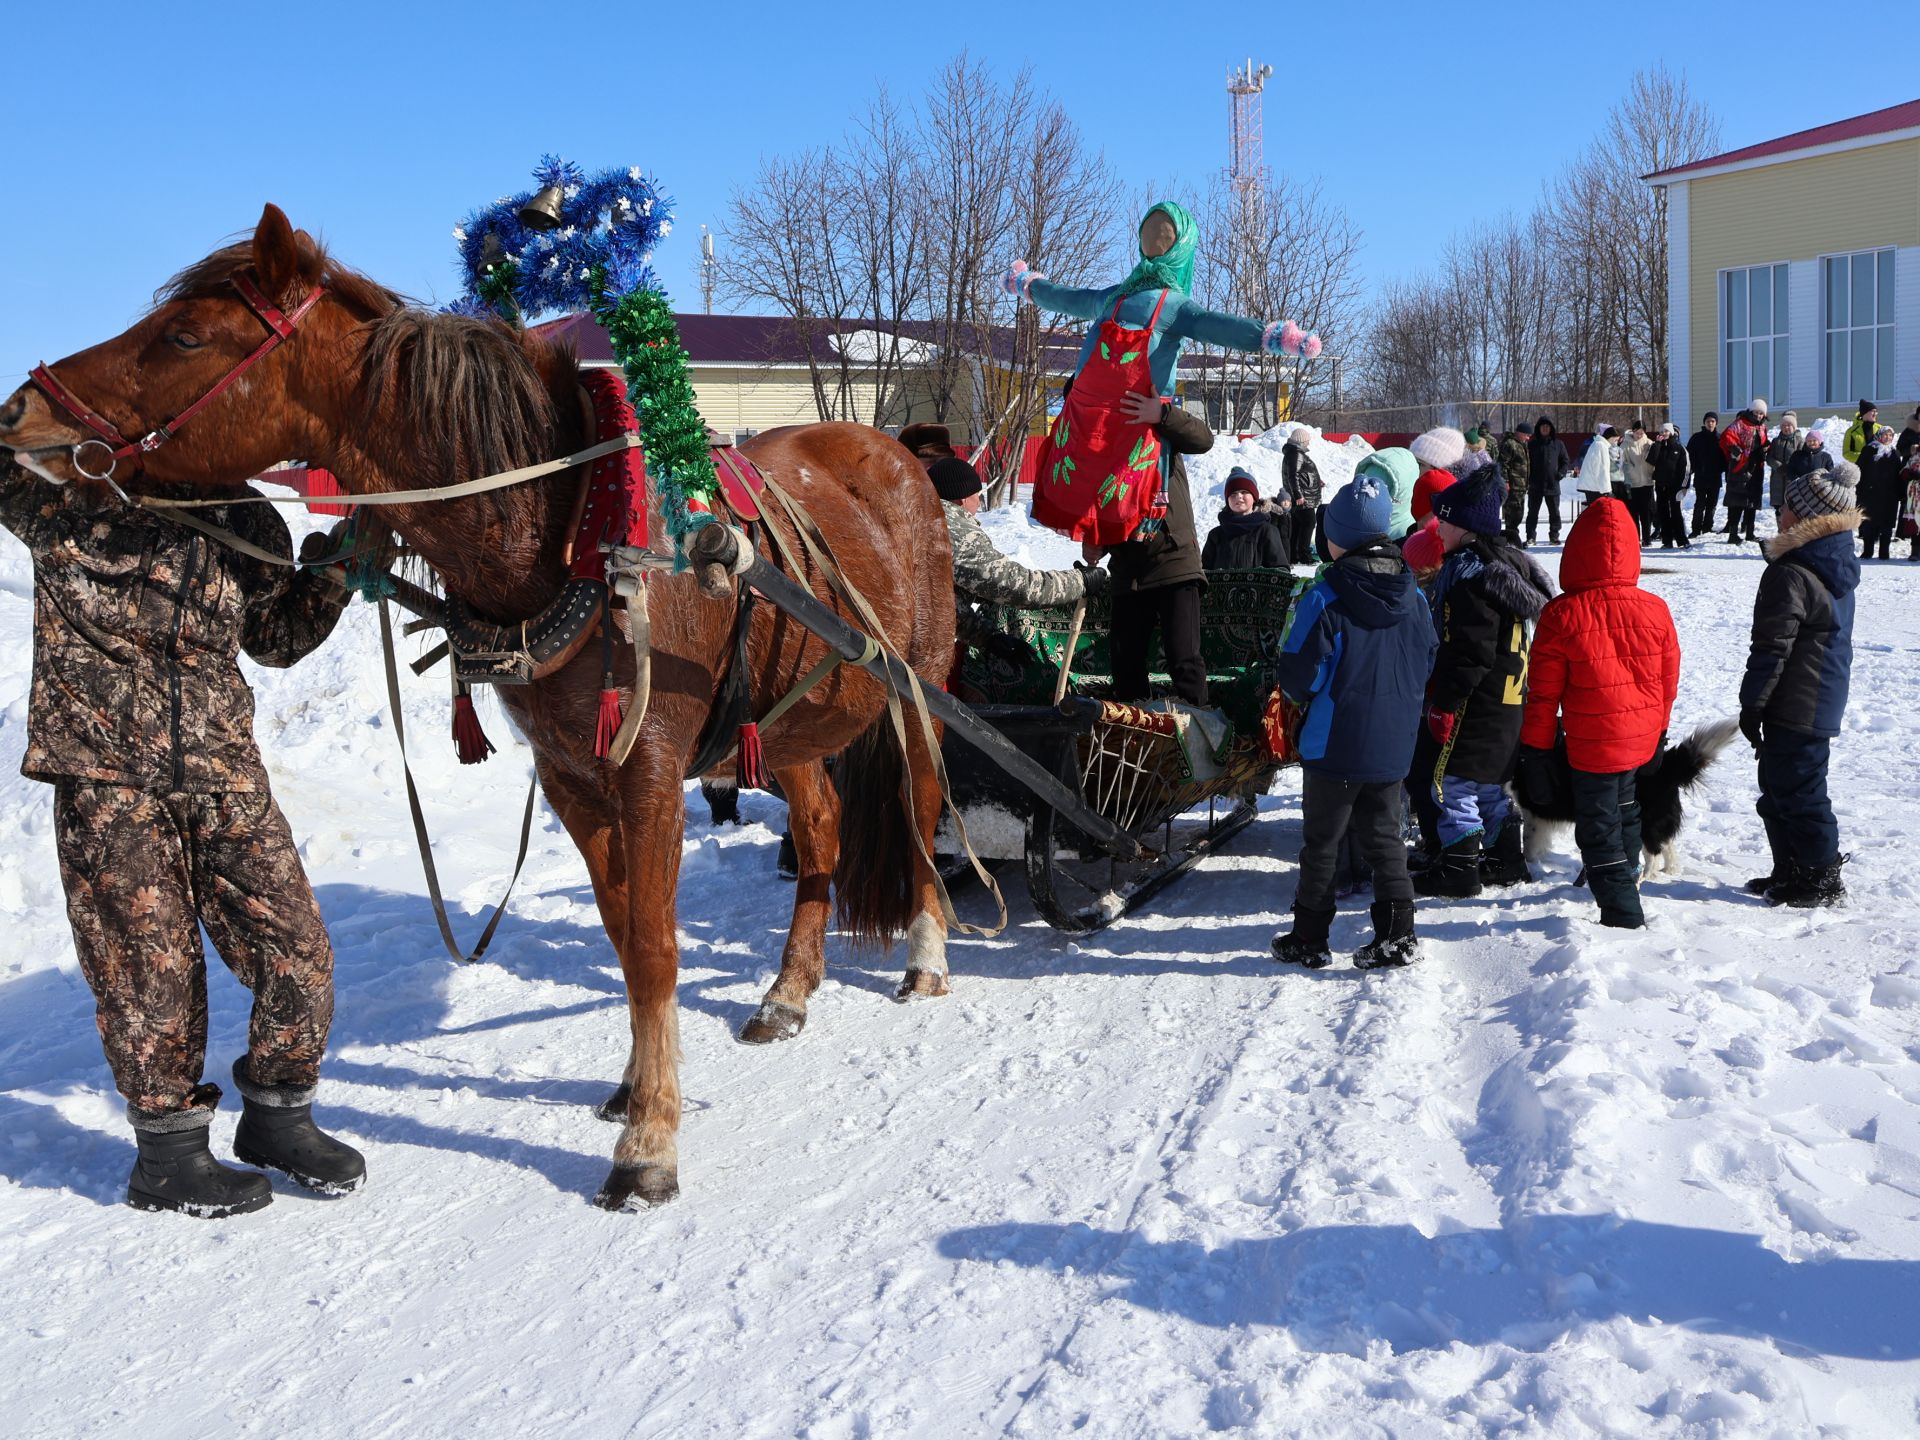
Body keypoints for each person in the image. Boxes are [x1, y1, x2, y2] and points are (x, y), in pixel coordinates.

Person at [0, 455, 363, 1217]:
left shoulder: (243, 512)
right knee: (148, 978)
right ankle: (167, 1157)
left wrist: (341, 564)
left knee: (299, 952)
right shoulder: (60, 493)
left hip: (221, 766)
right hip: (104, 780)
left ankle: (277, 1118)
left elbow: (276, 637)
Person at [1270, 471, 1437, 970]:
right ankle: (1397, 933)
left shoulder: (1324, 597)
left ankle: (1310, 937)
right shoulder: (1416, 596)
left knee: (1322, 841)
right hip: (1393, 746)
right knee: (1385, 837)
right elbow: (1427, 661)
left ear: (1334, 539)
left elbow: (1301, 674)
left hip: (1333, 745)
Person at [1516, 498, 1680, 928]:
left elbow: (1542, 696)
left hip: (1592, 747)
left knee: (1598, 827)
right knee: (1626, 811)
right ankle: (1625, 878)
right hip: (1639, 739)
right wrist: (1659, 733)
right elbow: (1667, 681)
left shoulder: (1561, 614)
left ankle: (1622, 913)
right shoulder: (1656, 609)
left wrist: (1535, 751)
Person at [1415, 467, 1557, 897]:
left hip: (1477, 704)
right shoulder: (1507, 566)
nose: (1439, 530)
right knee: (1489, 784)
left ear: (1466, 527)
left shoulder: (1470, 576)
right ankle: (1505, 858)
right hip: (1509, 703)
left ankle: (1459, 866)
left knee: (1452, 783)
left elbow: (1470, 651)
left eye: (1447, 522)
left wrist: (1444, 701)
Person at [1739, 460, 1862, 907]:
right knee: (1778, 789)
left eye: (1787, 505)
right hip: (1817, 698)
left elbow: (1772, 648)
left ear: (1805, 516)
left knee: (1800, 792)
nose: (1780, 511)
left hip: (1799, 702)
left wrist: (1752, 705)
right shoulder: (1832, 563)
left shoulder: (1792, 572)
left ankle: (1820, 877)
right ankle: (1790, 868)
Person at [1098, 393, 1215, 705]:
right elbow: (1098, 505)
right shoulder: (1094, 447)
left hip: (1174, 561)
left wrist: (1161, 414)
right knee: (1125, 662)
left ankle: (1197, 737)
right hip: (1127, 569)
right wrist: (1095, 538)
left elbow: (1203, 439)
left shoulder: (1152, 427)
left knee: (1183, 658)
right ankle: (1136, 738)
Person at [935, 456, 1101, 658]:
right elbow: (1018, 587)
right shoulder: (951, 529)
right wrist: (1080, 581)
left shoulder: (926, 519)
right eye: (977, 495)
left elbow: (941, 601)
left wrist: (987, 638)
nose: (978, 503)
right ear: (961, 499)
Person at [1202, 468, 1288, 569]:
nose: (1239, 496)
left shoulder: (1267, 531)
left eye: (1244, 492)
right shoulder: (1216, 535)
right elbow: (1204, 572)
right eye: (1233, 494)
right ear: (1227, 500)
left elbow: (1281, 569)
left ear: (1254, 497)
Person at [1718, 399, 1769, 544]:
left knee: (1752, 501)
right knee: (1737, 501)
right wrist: (1735, 449)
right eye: (1756, 412)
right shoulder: (1740, 423)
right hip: (1741, 467)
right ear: (1751, 411)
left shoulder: (1762, 427)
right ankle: (1733, 533)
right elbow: (1726, 436)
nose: (1759, 415)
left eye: (1761, 413)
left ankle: (1750, 533)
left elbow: (1763, 442)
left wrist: (1766, 447)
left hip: (1756, 468)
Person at [1858, 425, 1905, 561]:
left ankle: (1884, 553)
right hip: (1871, 493)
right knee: (1869, 524)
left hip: (1889, 495)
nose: (1888, 438)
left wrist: (1900, 492)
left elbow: (1899, 474)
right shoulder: (1869, 449)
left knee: (1887, 525)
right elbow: (1860, 469)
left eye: (1890, 435)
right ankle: (1867, 551)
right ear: (1879, 435)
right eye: (1885, 435)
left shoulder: (1894, 453)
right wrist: (1861, 489)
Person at [1525, 416, 1570, 546]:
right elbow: (1526, 463)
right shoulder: (1532, 444)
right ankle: (1530, 537)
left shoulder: (1558, 444)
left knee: (1554, 512)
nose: (1545, 428)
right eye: (1542, 426)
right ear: (1538, 429)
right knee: (1532, 512)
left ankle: (1554, 536)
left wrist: (1561, 473)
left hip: (1552, 484)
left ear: (1551, 429)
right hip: (1535, 484)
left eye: (1547, 426)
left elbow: (1565, 461)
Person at [1282, 428, 1323, 564]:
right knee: (1309, 523)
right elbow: (1293, 475)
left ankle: (1293, 556)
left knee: (1298, 525)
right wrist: (1298, 495)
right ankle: (1304, 555)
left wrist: (1317, 481)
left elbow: (1302, 473)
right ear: (1301, 441)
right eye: (1307, 441)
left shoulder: (1293, 453)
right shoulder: (1296, 453)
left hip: (1303, 495)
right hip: (1303, 497)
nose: (1308, 443)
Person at [1649, 421, 1692, 549]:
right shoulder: (1657, 446)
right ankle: (1667, 540)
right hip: (1661, 485)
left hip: (1675, 486)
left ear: (1672, 432)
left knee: (1676, 512)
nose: (1664, 434)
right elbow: (1651, 460)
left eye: (1666, 431)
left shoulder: (1679, 448)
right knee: (1663, 513)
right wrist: (1657, 444)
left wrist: (1684, 486)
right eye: (1661, 431)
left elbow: (1686, 469)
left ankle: (1681, 540)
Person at [1687, 412, 1726, 536]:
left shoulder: (1720, 438)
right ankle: (1696, 529)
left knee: (1712, 505)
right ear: (1704, 422)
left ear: (1716, 423)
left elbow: (1725, 457)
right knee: (1700, 504)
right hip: (1701, 477)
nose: (1710, 423)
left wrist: (1721, 469)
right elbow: (1689, 456)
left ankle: (1707, 527)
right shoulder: (1696, 438)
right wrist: (1695, 468)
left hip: (1715, 477)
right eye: (1708, 421)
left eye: (1713, 421)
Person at [1620, 420, 1655, 543]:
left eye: (1642, 432)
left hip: (1647, 482)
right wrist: (1631, 469)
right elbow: (1622, 463)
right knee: (1633, 513)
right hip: (1632, 484)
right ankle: (1635, 538)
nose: (1639, 435)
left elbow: (1654, 459)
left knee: (1646, 513)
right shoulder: (1625, 445)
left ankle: (1647, 538)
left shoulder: (1649, 443)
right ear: (1633, 431)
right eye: (1637, 432)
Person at [1765, 413, 1805, 518]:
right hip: (1777, 479)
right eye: (1783, 425)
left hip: (1792, 479)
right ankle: (1780, 531)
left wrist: (1790, 467)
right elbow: (1769, 458)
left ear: (1794, 427)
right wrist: (1778, 466)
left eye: (1789, 425)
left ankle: (1791, 531)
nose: (1786, 428)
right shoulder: (1776, 441)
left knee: (1792, 506)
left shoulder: (1799, 441)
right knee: (1778, 507)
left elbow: (1802, 458)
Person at [1497, 423, 1530, 544]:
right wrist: (1505, 481)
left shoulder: (1522, 445)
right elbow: (1502, 464)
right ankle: (1510, 540)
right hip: (1512, 487)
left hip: (1520, 487)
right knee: (1512, 515)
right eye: (1526, 435)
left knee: (1518, 514)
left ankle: (1513, 538)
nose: (1528, 438)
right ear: (1519, 433)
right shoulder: (1510, 444)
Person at [1576, 428, 1616, 516]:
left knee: (1593, 512)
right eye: (1615, 439)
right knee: (1598, 513)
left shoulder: (1597, 444)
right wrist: (1607, 490)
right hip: (1595, 487)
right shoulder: (1602, 446)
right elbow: (1602, 469)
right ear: (1610, 437)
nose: (1615, 442)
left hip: (1590, 485)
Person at [1842, 399, 1878, 464]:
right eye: (1873, 411)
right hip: (1859, 469)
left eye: (1876, 412)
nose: (1875, 414)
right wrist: (1864, 456)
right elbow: (1846, 453)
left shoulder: (1880, 429)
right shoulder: (1851, 432)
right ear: (1865, 413)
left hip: (1877, 469)